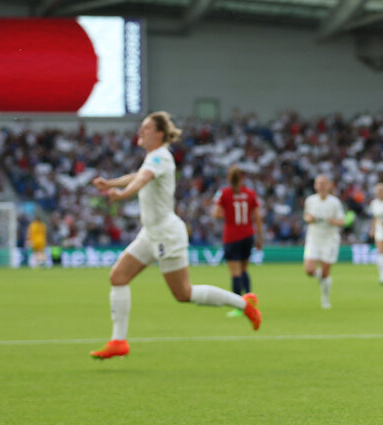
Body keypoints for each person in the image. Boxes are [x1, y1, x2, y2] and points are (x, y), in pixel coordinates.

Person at [89, 112, 261, 359]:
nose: (141, 131)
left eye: (146, 128)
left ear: (159, 134)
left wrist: (123, 194)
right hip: (151, 233)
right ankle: (118, 342)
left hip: (167, 235)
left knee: (184, 293)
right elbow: (139, 175)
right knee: (118, 277)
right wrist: (111, 183)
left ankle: (245, 304)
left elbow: (141, 180)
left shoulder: (160, 157)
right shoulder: (153, 157)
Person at [212, 165, 263, 317]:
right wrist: (260, 237)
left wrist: (228, 212)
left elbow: (216, 214)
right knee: (244, 270)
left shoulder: (224, 193)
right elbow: (257, 218)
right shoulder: (250, 194)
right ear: (243, 178)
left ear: (228, 177)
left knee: (235, 273)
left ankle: (239, 307)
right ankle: (251, 302)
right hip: (248, 235)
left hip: (232, 236)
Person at [303, 174, 345, 309]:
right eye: (318, 183)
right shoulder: (310, 200)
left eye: (323, 183)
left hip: (329, 240)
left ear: (328, 186)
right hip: (313, 239)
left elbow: (342, 221)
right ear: (315, 186)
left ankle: (325, 298)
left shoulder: (334, 202)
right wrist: (309, 219)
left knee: (326, 272)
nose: (321, 186)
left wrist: (334, 221)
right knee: (309, 270)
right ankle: (322, 278)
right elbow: (306, 216)